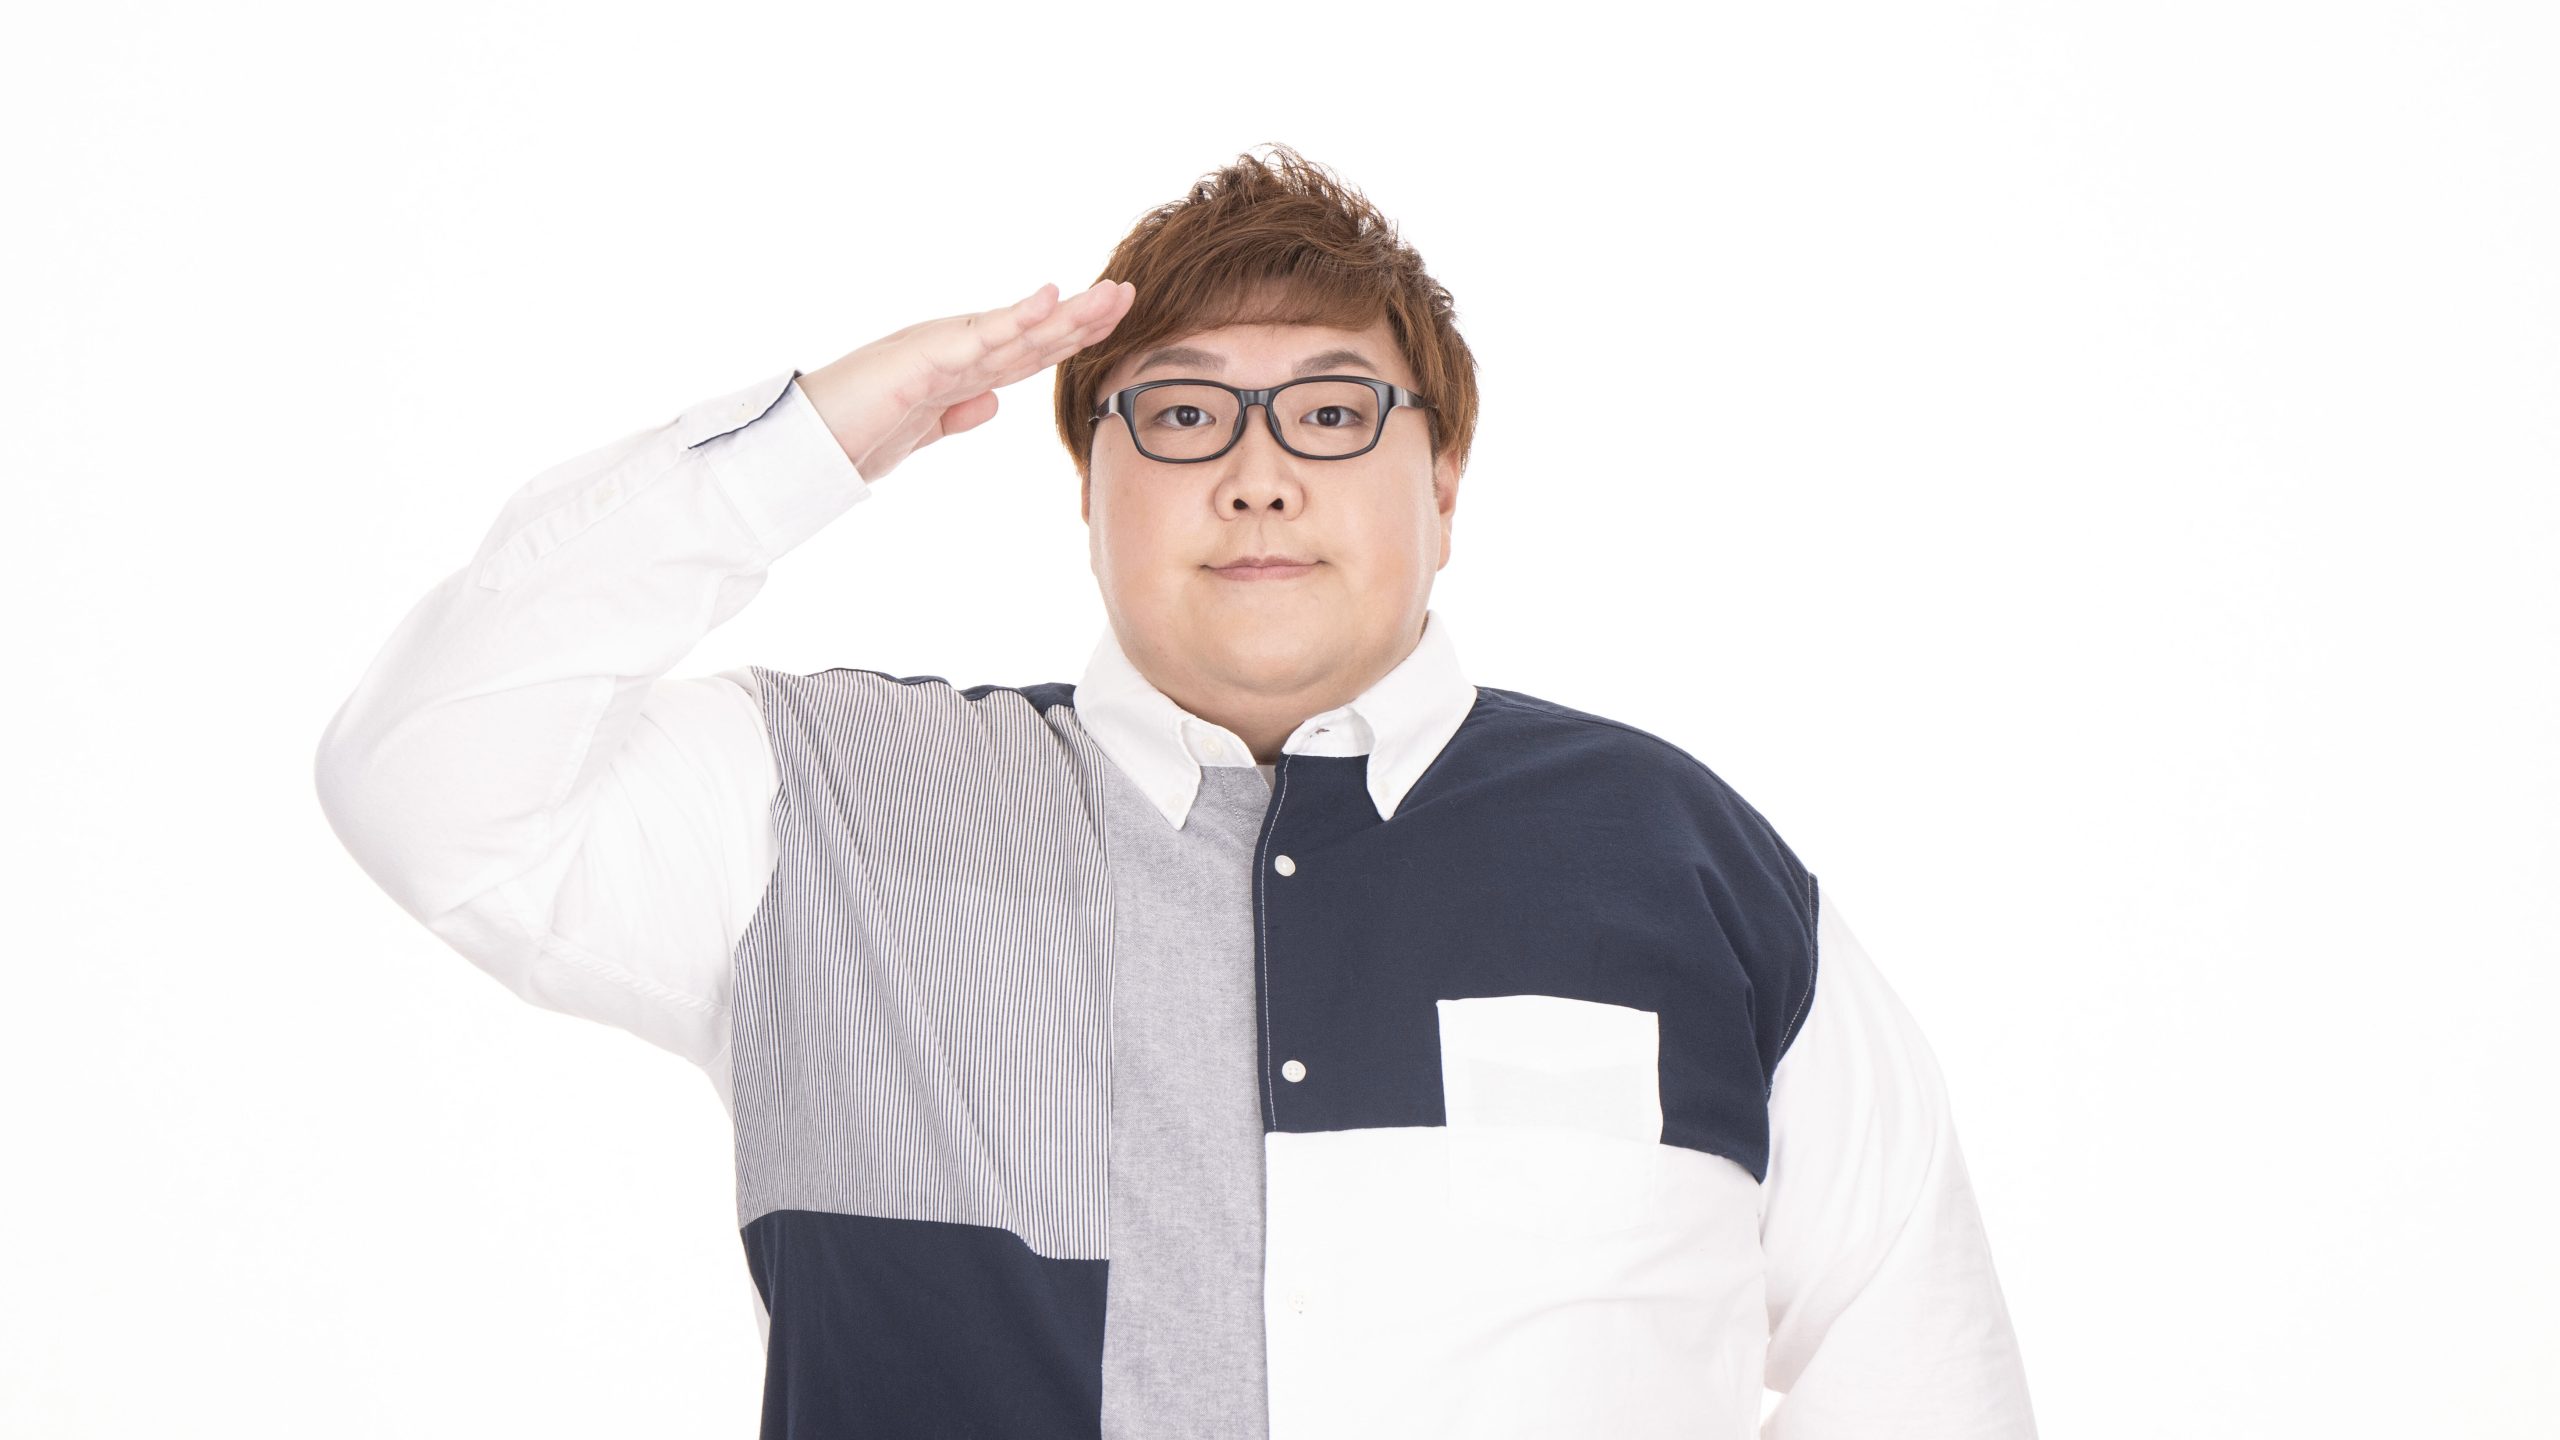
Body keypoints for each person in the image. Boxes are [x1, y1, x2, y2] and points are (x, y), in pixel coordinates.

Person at [314, 144, 2038, 1439]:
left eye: (1334, 415)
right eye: (1185, 417)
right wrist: (811, 442)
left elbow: (1918, 1373)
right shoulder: (828, 808)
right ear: (1087, 479)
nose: (1261, 475)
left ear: (1446, 477)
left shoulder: (1681, 859)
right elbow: (428, 782)